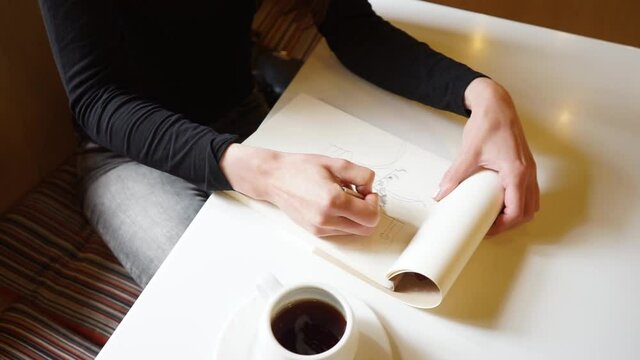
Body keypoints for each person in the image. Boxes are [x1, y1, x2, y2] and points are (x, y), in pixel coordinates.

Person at [38, 0, 539, 287]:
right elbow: (97, 98)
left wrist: (480, 92)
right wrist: (265, 172)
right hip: (125, 152)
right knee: (234, 292)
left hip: (243, 114)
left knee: (358, 275)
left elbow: (352, 26)